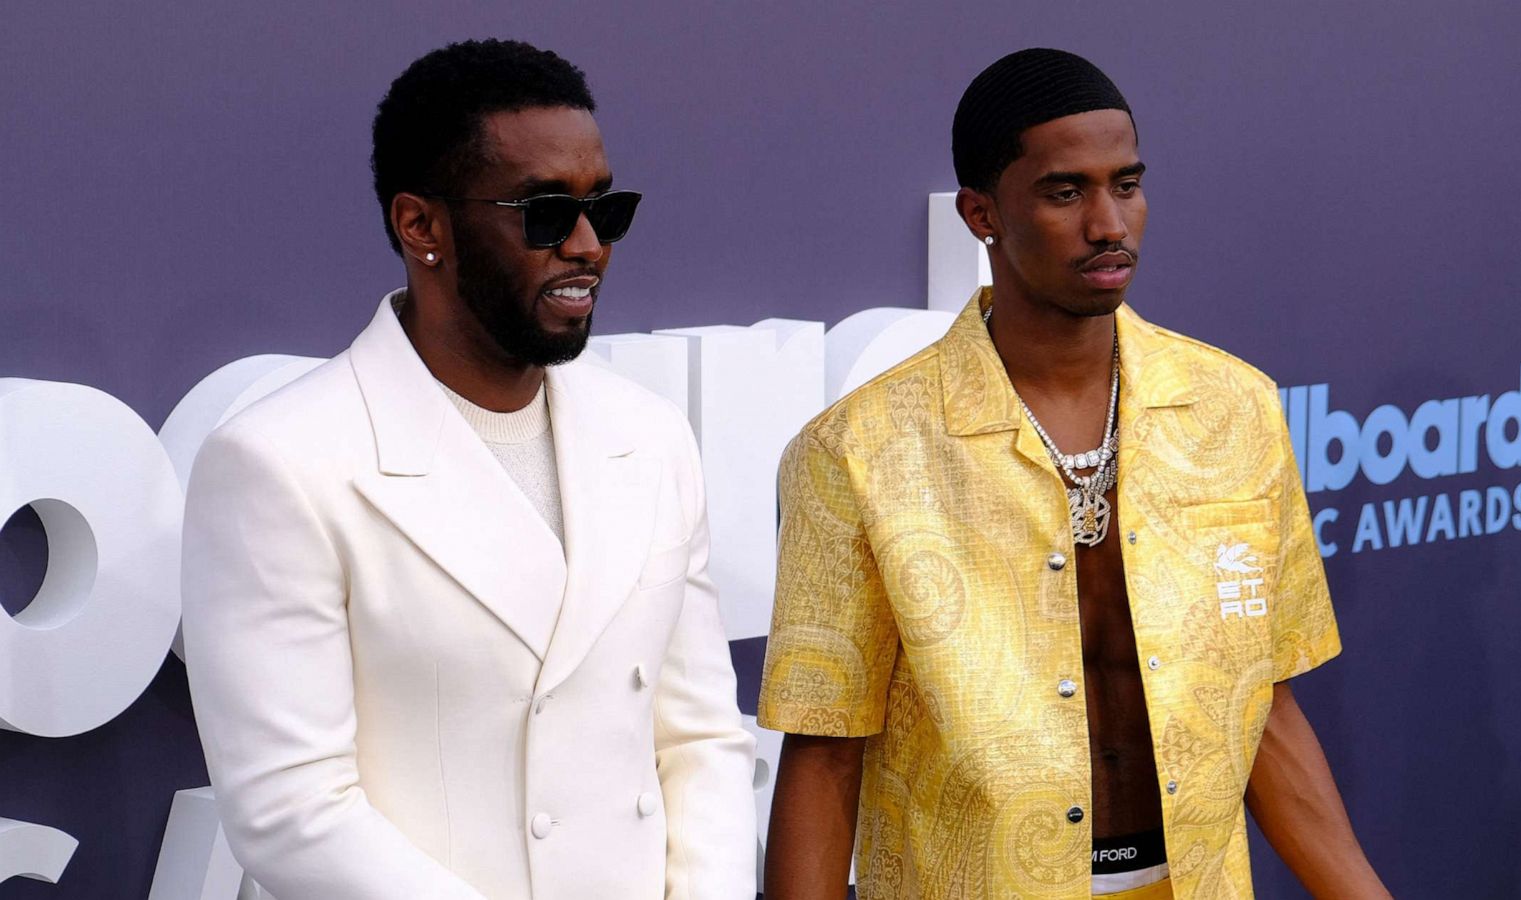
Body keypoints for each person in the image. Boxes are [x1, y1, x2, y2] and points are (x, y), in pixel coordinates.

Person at [758, 49, 1389, 900]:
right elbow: (825, 747)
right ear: (982, 214)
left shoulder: (1235, 410)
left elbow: (1262, 704)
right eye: (1066, 192)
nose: (1109, 223)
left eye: (1126, 185)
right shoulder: (860, 450)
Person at [182, 39, 754, 899]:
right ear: (422, 227)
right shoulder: (282, 461)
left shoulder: (650, 436)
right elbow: (292, 810)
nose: (589, 245)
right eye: (544, 214)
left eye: (607, 207)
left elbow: (701, 735)